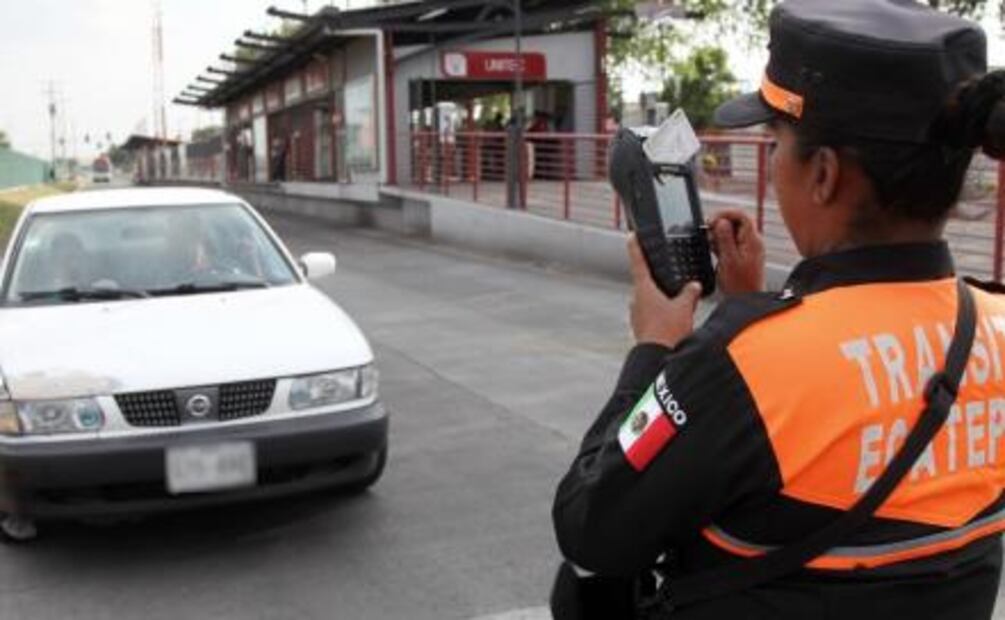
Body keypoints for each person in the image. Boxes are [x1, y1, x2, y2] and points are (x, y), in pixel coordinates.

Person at [552, 1, 1005, 618]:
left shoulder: (742, 364)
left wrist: (655, 346)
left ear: (823, 174)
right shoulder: (994, 324)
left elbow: (590, 527)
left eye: (776, 143)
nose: (771, 165)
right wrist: (753, 309)